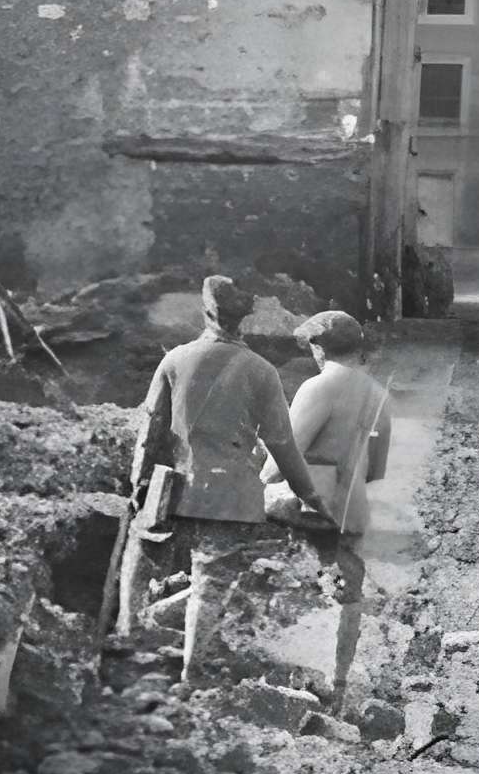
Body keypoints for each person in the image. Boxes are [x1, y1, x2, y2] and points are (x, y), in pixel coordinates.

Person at [121, 275, 331, 682]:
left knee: (142, 551)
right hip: (230, 498)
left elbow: (149, 432)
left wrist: (137, 484)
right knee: (210, 583)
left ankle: (129, 642)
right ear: (244, 320)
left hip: (173, 490)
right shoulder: (262, 371)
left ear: (205, 313)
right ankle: (192, 670)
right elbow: (282, 444)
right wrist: (308, 495)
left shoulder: (174, 360)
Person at [264, 307, 392, 706]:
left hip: (311, 510)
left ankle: (286, 679)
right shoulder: (378, 393)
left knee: (287, 584)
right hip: (352, 511)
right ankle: (336, 687)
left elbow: (282, 458)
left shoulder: (318, 387)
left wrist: (263, 466)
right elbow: (377, 469)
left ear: (320, 347)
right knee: (347, 595)